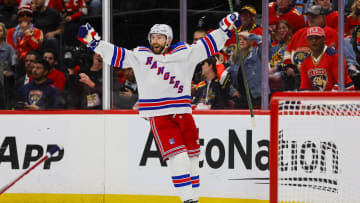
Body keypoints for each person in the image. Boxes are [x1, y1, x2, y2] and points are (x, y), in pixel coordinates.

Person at [77, 12, 240, 203]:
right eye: (153, 37)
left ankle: (194, 198)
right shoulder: (141, 55)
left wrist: (225, 29)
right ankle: (189, 200)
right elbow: (118, 56)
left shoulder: (183, 53)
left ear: (168, 40)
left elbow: (206, 46)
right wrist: (94, 42)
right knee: (178, 161)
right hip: (159, 115)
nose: (155, 40)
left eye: (160, 37)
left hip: (183, 112)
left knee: (193, 159)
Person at [282, 5, 338, 90]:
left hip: (318, 73)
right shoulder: (299, 32)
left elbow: (327, 57)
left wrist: (306, 66)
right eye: (309, 16)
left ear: (323, 17)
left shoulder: (331, 33)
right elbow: (287, 53)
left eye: (314, 16)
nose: (310, 19)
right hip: (294, 72)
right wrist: (288, 67)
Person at [299, 27, 355, 91]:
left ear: (323, 39)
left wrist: (326, 99)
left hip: (345, 93)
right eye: (311, 38)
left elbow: (341, 82)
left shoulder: (335, 56)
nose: (314, 40)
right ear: (307, 40)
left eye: (317, 38)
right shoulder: (305, 62)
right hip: (323, 97)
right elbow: (304, 86)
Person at [228, 31, 262, 109]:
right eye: (239, 39)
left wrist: (251, 35)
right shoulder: (233, 58)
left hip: (256, 98)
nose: (242, 41)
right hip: (240, 98)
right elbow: (224, 77)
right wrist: (232, 91)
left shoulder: (257, 53)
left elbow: (266, 42)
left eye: (245, 39)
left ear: (250, 41)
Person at [269, 20, 293, 92]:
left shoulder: (292, 43)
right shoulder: (274, 44)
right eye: (279, 28)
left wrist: (276, 68)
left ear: (289, 30)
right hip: (270, 68)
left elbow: (290, 63)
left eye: (284, 28)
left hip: (283, 71)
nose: (281, 30)